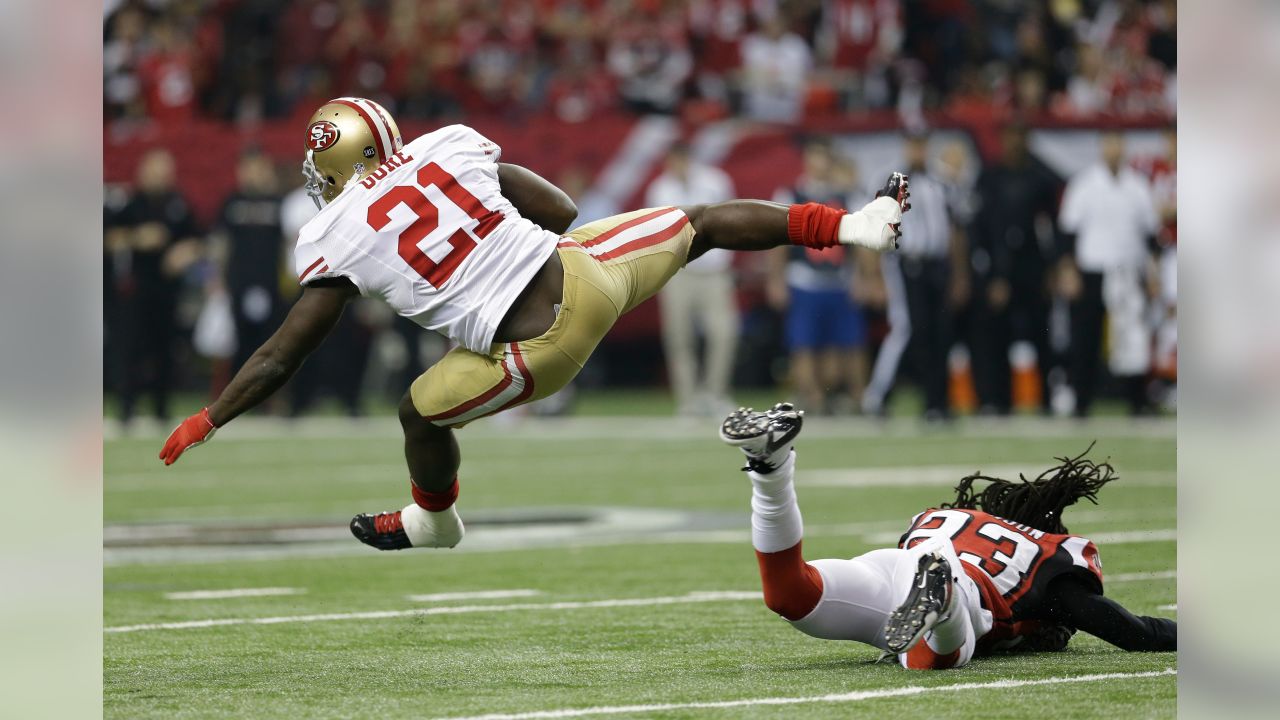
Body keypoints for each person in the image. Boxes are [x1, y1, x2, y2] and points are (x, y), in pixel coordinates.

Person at [158, 96, 912, 553]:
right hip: (582, 269)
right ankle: (855, 226)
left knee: (416, 412)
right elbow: (559, 212)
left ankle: (433, 523)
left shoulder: (336, 235)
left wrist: (211, 415)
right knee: (705, 221)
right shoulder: (444, 146)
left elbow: (286, 352)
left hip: (535, 345)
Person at [720, 403, 1176, 669]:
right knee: (933, 656)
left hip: (895, 565)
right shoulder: (1048, 559)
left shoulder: (952, 517)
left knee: (790, 593)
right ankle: (943, 604)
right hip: (962, 586)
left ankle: (772, 469)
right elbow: (1129, 630)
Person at [863, 132, 965, 420]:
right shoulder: (889, 182)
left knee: (940, 333)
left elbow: (955, 231)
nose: (918, 150)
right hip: (905, 265)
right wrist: (874, 275)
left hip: (937, 265)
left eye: (922, 144)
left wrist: (959, 275)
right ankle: (878, 394)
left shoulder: (943, 182)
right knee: (907, 329)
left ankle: (937, 402)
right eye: (913, 144)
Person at [1058, 131, 1160, 416]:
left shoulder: (1137, 186)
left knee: (1132, 339)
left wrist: (1152, 274)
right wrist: (1069, 270)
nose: (1114, 149)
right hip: (1092, 269)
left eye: (1118, 143)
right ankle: (1081, 401)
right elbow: (1068, 231)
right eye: (1109, 143)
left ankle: (1137, 401)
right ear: (1101, 147)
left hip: (1128, 269)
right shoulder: (1085, 184)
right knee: (1085, 338)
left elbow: (1150, 235)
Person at [968, 124, 1064, 414]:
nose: (1014, 142)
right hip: (998, 268)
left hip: (1033, 267)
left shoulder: (1041, 178)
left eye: (1019, 135)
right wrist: (991, 275)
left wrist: (1051, 270)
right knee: (996, 338)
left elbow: (1052, 228)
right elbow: (978, 230)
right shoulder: (989, 178)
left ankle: (1047, 400)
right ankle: (998, 401)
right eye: (1009, 135)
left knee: (1041, 335)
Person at [769, 140, 871, 414]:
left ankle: (858, 397)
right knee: (803, 344)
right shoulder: (792, 193)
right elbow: (778, 239)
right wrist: (776, 279)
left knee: (847, 346)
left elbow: (862, 239)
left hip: (839, 279)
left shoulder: (847, 195)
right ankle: (812, 399)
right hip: (804, 280)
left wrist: (864, 276)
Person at [645, 143, 739, 416]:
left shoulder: (715, 182)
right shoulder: (660, 189)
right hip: (679, 273)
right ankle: (688, 401)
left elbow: (730, 221)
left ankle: (716, 395)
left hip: (714, 272)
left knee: (723, 334)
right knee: (679, 337)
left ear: (689, 159)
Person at [112, 148, 203, 425]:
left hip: (168, 290)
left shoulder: (179, 204)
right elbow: (108, 238)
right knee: (131, 349)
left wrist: (184, 252)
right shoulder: (129, 204)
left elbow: (199, 239)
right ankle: (126, 409)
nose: (160, 177)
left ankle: (161, 409)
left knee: (165, 349)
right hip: (136, 289)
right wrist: (138, 237)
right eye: (155, 170)